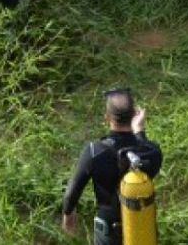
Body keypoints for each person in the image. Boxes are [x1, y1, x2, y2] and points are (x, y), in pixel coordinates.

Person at [61, 89, 163, 245]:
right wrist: (139, 131)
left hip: (108, 232)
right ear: (135, 114)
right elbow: (149, 150)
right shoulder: (150, 152)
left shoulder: (94, 151)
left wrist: (68, 216)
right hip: (141, 229)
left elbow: (71, 193)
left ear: (107, 118)